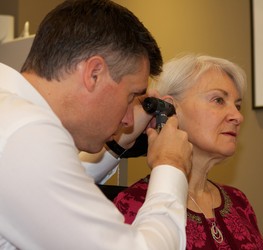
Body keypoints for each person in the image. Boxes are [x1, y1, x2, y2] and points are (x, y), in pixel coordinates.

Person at [0, 0, 192, 249]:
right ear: (94, 73)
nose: (128, 120)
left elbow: (47, 191)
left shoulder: (11, 116)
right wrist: (171, 166)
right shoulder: (26, 134)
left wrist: (115, 147)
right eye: (131, 96)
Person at [113, 54, 263, 249]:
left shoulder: (239, 201)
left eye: (237, 106)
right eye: (218, 100)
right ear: (171, 109)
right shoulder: (133, 203)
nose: (238, 116)